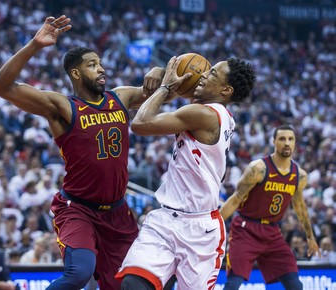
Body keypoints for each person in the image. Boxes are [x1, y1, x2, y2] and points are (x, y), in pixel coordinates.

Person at [0, 15, 164, 290]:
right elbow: (1, 86)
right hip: (79, 209)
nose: (101, 69)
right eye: (92, 65)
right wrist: (34, 45)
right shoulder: (62, 106)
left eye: (101, 63)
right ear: (76, 73)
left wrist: (160, 72)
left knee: (129, 284)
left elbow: (167, 90)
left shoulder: (121, 97)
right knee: (79, 272)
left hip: (118, 213)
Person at [115, 55, 256, 289]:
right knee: (133, 284)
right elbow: (182, 87)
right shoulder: (212, 112)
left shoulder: (205, 115)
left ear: (226, 89)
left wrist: (165, 86)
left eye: (212, 74)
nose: (202, 75)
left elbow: (140, 124)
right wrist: (161, 73)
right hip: (165, 221)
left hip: (200, 229)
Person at [220, 125, 321, 290]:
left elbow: (300, 208)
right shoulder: (258, 168)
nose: (287, 143)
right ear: (274, 141)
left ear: (295, 143)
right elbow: (235, 199)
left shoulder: (300, 175)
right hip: (246, 229)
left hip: (273, 233)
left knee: (296, 285)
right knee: (233, 283)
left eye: (291, 139)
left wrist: (310, 237)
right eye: (282, 139)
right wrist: (213, 225)